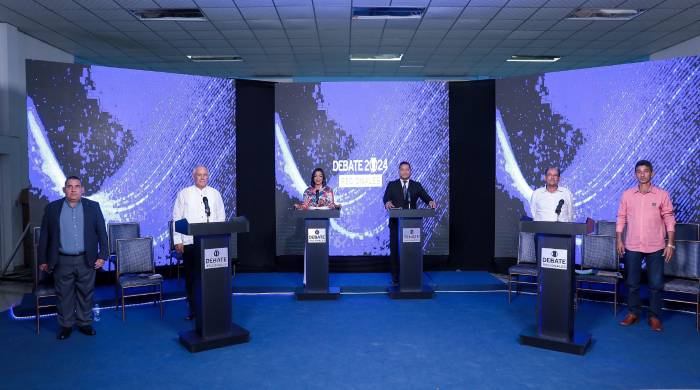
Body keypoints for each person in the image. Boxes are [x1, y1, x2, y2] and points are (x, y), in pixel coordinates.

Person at [38, 176, 108, 340]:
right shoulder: (52, 208)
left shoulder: (93, 207)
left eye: (77, 186)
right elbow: (45, 236)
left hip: (87, 259)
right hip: (62, 260)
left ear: (82, 189)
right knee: (64, 294)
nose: (73, 189)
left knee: (86, 293)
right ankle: (66, 326)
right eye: (69, 186)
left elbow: (101, 233)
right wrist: (42, 259)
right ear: (64, 190)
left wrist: (103, 255)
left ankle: (84, 323)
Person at [617, 160, 675, 332]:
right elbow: (621, 217)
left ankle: (654, 316)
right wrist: (618, 239)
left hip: (656, 245)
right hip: (632, 245)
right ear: (636, 174)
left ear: (652, 174)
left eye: (646, 171)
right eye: (639, 171)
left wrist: (670, 244)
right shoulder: (627, 194)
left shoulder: (662, 195)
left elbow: (670, 219)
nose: (642, 174)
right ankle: (633, 313)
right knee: (632, 282)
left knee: (656, 284)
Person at [173, 165, 226, 320]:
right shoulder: (184, 194)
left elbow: (221, 217)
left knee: (211, 277)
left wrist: (220, 238)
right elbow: (178, 218)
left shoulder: (215, 194)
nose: (202, 177)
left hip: (211, 243)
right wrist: (178, 240)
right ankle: (194, 310)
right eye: (199, 175)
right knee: (192, 278)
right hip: (190, 243)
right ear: (193, 176)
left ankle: (211, 308)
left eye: (205, 175)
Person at [383, 161, 436, 285]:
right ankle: (395, 276)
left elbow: (426, 197)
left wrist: (431, 202)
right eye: (402, 169)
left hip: (412, 225)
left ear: (410, 171)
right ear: (399, 171)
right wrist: (387, 203)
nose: (405, 171)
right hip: (396, 224)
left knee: (411, 251)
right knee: (395, 250)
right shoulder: (392, 185)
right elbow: (386, 198)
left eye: (407, 169)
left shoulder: (416, 185)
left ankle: (412, 275)